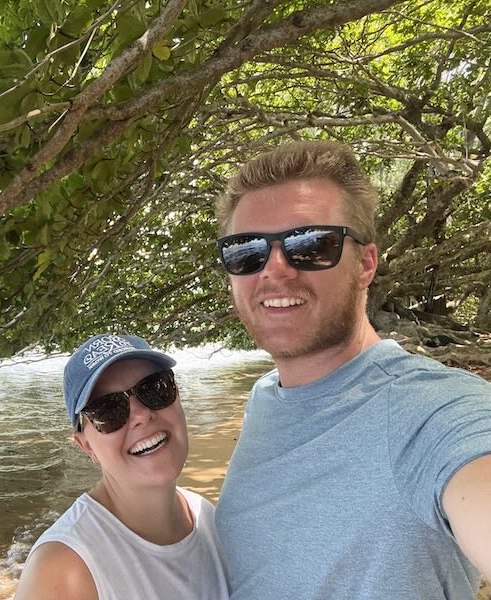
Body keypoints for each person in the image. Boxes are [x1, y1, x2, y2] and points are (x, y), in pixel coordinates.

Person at [213, 140, 491, 599]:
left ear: (365, 264)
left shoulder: (428, 410)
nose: (275, 269)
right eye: (246, 251)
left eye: (310, 244)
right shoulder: (267, 396)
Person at [15, 334, 229, 600]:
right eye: (107, 410)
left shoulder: (207, 517)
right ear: (87, 447)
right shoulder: (64, 568)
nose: (140, 415)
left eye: (155, 388)